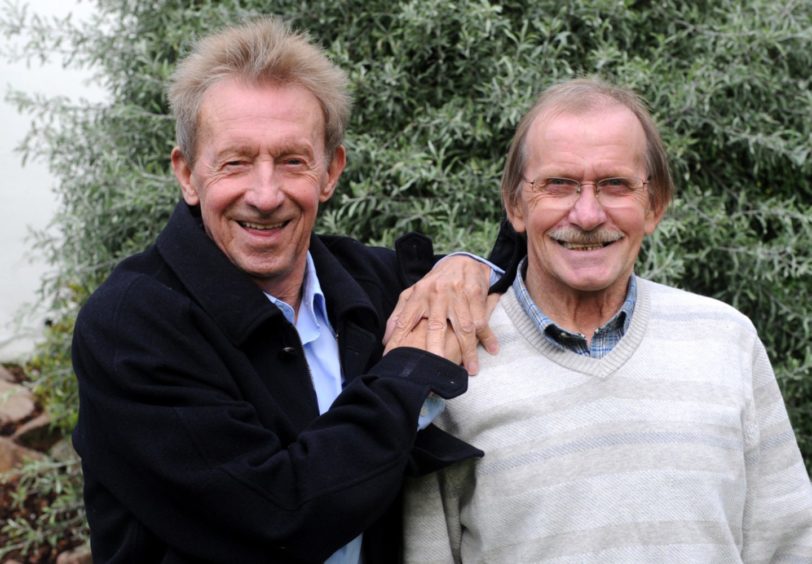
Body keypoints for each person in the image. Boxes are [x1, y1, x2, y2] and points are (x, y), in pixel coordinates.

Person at [71, 17, 511, 563]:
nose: (265, 193)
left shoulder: (368, 282)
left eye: (291, 160)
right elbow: (276, 517)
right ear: (186, 174)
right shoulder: (132, 324)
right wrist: (408, 372)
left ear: (331, 171)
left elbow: (522, 271)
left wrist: (463, 268)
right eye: (235, 162)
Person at [403, 77, 812, 563]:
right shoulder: (452, 358)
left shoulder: (727, 339)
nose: (588, 213)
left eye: (615, 184)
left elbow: (790, 544)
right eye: (559, 184)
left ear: (654, 204)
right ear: (515, 205)